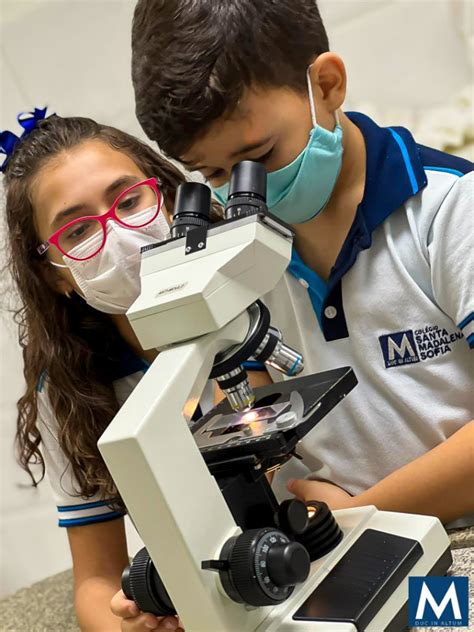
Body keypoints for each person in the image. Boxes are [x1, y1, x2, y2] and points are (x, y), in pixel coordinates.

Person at [130, 0, 474, 525]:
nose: (251, 192)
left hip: (450, 540)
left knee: (440, 612)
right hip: (341, 544)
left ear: (328, 85)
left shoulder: (450, 210)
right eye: (215, 175)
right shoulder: (242, 255)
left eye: (260, 157)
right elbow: (261, 426)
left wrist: (360, 515)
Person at [2, 111, 244, 631]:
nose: (119, 235)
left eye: (129, 199)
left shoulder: (261, 282)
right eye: (80, 229)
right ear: (54, 274)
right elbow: (95, 578)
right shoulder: (72, 389)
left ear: (170, 195)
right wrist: (128, 626)